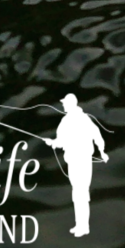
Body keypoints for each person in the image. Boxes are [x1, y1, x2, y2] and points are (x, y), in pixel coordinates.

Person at [48, 93, 108, 236]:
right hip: (76, 159)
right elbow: (62, 141)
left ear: (71, 104)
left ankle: (83, 226)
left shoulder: (73, 120)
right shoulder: (77, 119)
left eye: (65, 103)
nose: (63, 105)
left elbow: (96, 136)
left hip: (80, 159)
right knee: (79, 192)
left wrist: (102, 152)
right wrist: (53, 143)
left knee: (80, 192)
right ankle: (80, 225)